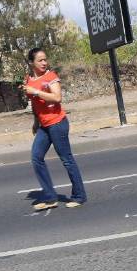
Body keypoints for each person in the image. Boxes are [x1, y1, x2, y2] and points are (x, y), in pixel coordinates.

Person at [20, 48, 87, 211]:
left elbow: (57, 98)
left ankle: (79, 196)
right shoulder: (28, 79)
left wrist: (35, 91)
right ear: (31, 63)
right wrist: (36, 122)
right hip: (44, 126)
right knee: (36, 157)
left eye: (45, 59)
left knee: (67, 159)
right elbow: (35, 104)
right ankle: (50, 197)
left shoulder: (51, 77)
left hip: (57, 123)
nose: (44, 63)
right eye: (40, 60)